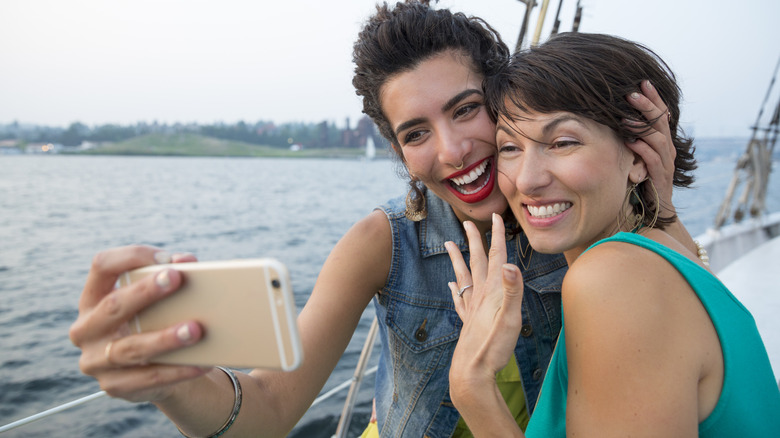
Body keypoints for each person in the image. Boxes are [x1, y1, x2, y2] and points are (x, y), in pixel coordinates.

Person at [68, 2, 690, 437]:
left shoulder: (585, 221)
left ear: (506, 103)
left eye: (467, 110)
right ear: (398, 151)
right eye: (417, 133)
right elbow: (270, 406)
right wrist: (170, 384)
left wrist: (657, 209)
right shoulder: (384, 240)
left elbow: (682, 308)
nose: (450, 150)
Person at [446, 32, 780, 437]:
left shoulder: (613, 280)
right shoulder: (662, 259)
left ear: (639, 157)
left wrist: (471, 387)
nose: (528, 180)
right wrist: (662, 209)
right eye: (510, 148)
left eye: (563, 142)